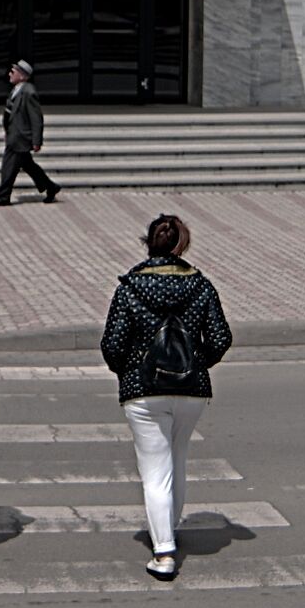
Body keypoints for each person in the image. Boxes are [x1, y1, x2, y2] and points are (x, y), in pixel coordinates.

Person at [100, 213, 233, 580]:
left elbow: (112, 344)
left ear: (148, 243)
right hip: (191, 390)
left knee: (155, 472)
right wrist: (195, 363)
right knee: (177, 459)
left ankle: (163, 552)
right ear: (181, 246)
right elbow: (221, 338)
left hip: (143, 391)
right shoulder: (201, 285)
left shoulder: (130, 286)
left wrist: (128, 370)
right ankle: (168, 531)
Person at [0, 58, 58, 206]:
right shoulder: (17, 90)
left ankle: (3, 197)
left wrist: (36, 141)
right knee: (29, 166)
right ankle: (51, 187)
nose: (9, 74)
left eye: (13, 72)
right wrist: (8, 131)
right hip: (14, 136)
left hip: (21, 138)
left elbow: (36, 118)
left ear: (22, 76)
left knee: (8, 167)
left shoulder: (29, 92)